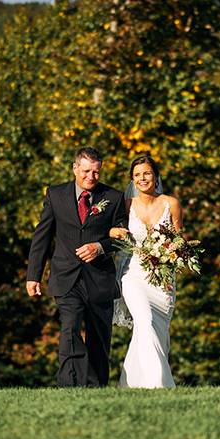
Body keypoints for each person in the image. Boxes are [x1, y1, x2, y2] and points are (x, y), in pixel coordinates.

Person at [26, 147, 129, 387]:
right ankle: (68, 385)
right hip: (66, 277)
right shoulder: (56, 195)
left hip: (99, 278)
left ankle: (96, 387)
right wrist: (34, 276)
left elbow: (124, 236)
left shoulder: (113, 198)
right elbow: (42, 236)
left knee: (99, 337)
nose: (91, 177)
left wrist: (101, 247)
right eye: (86, 171)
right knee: (69, 328)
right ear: (75, 168)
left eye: (96, 172)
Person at [109, 154, 182, 389]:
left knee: (155, 330)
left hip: (163, 279)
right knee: (144, 319)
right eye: (137, 175)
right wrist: (114, 233)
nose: (142, 178)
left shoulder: (171, 203)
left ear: (156, 176)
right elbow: (108, 230)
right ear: (132, 179)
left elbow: (180, 240)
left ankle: (131, 385)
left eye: (147, 173)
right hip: (134, 275)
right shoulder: (127, 204)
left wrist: (171, 253)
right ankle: (160, 384)